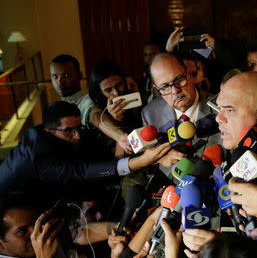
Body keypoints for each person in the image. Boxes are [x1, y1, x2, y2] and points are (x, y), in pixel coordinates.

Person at [0, 101, 171, 203]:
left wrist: (120, 138)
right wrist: (140, 162)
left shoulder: (54, 130)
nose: (77, 136)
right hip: (15, 201)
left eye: (78, 128)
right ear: (49, 131)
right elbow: (82, 171)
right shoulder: (41, 159)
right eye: (69, 131)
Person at [141, 53, 221, 172]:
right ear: (156, 88)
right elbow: (148, 158)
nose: (175, 90)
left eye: (179, 79)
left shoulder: (220, 108)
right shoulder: (150, 113)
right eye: (164, 87)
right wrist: (160, 158)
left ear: (189, 74)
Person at [50, 54, 131, 153]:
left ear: (79, 75)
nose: (60, 81)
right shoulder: (55, 107)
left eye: (66, 75)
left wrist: (119, 136)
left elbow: (98, 118)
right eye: (55, 76)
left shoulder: (87, 100)